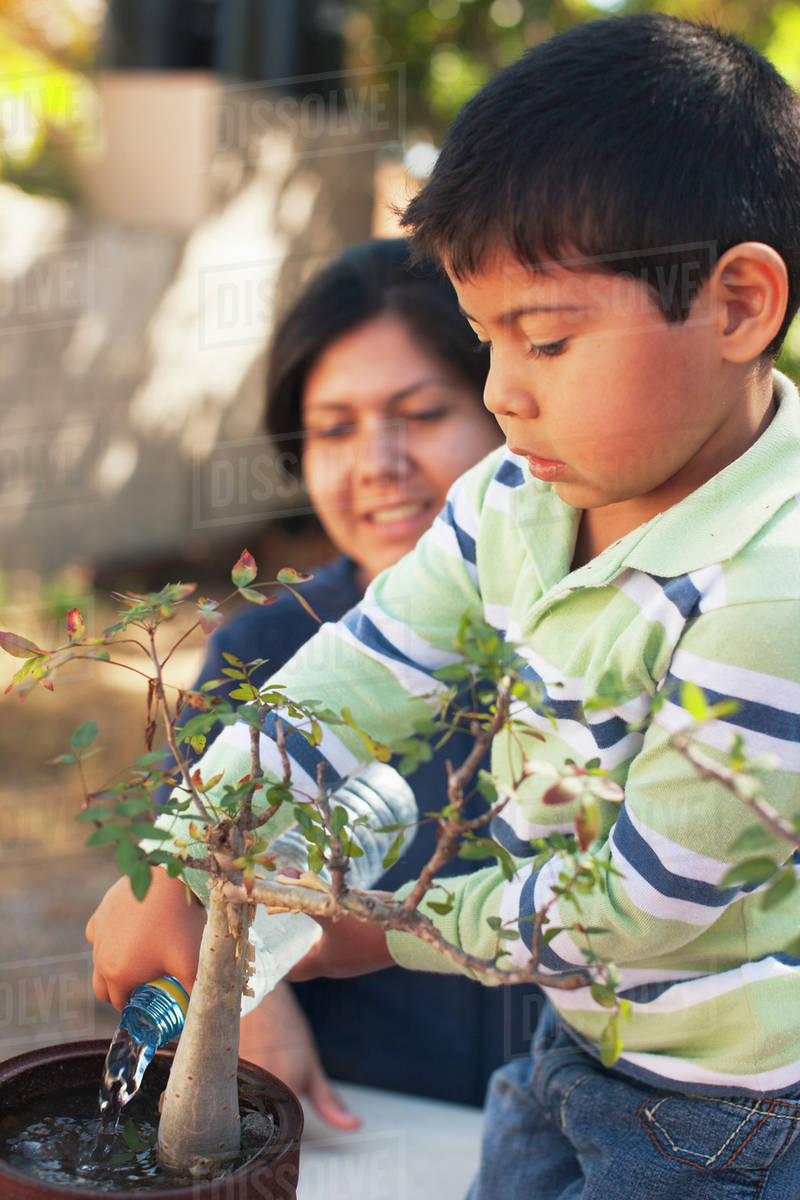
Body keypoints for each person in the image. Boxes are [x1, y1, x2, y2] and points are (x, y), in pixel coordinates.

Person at [88, 14, 800, 1196]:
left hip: (734, 1113)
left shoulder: (770, 588)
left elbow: (638, 907)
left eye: (546, 339)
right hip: (574, 1038)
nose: (502, 394)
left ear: (735, 306)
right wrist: (181, 859)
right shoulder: (515, 499)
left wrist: (374, 927)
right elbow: (359, 674)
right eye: (483, 340)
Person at [97, 238, 519, 1127]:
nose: (377, 461)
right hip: (358, 1129)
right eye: (335, 429)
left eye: (421, 410)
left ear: (514, 404)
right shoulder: (271, 646)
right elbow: (174, 890)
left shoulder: (600, 636)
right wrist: (243, 1003)